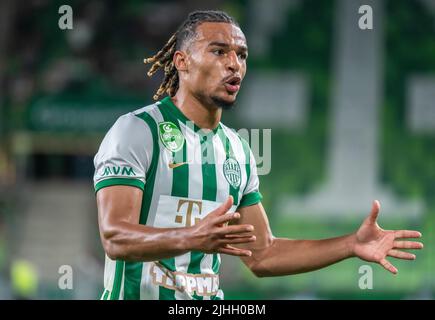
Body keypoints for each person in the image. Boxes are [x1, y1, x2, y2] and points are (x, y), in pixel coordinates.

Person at [93, 10, 423, 300]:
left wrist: (350, 245)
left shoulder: (237, 149)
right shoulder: (137, 131)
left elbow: (263, 255)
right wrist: (191, 237)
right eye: (219, 51)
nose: (234, 64)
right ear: (182, 61)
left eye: (241, 54)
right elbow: (115, 237)